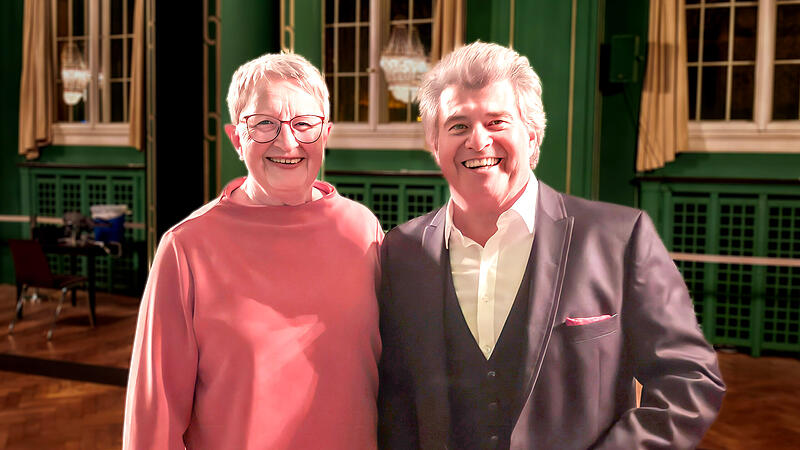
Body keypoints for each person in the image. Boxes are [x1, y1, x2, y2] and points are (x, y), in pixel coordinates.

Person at [377, 42, 725, 450]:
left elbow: (688, 379)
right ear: (434, 143)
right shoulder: (402, 250)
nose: (478, 140)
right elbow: (395, 397)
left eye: (496, 122)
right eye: (457, 125)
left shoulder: (619, 238)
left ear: (533, 136)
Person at [123, 53, 383, 449]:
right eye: (264, 124)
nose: (287, 141)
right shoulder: (186, 247)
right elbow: (154, 416)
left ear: (325, 134)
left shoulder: (363, 230)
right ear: (236, 139)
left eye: (304, 124)